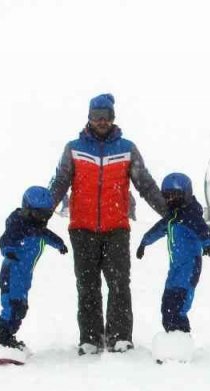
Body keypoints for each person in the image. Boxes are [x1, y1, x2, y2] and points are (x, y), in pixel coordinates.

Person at [47, 93, 166, 355]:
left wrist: (168, 211)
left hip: (116, 228)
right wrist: (39, 214)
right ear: (89, 118)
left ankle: (120, 336)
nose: (102, 121)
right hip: (82, 228)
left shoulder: (126, 148)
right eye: (97, 117)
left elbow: (144, 184)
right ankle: (90, 338)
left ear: (113, 118)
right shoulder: (74, 149)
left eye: (106, 117)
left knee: (119, 283)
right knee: (87, 285)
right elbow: (58, 184)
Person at [0, 186, 68, 355]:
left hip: (24, 277)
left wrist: (59, 243)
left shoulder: (37, 228)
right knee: (12, 307)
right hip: (12, 273)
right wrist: (9, 249)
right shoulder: (18, 224)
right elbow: (6, 238)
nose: (43, 219)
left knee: (20, 309)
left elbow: (47, 235)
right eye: (39, 215)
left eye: (47, 215)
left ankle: (8, 337)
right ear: (27, 210)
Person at [136, 173, 210, 333]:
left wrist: (208, 244)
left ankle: (180, 339)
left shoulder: (190, 214)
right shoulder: (173, 216)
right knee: (167, 305)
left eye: (175, 196)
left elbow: (202, 228)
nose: (171, 200)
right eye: (167, 196)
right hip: (176, 269)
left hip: (190, 267)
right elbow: (158, 229)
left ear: (186, 194)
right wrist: (144, 242)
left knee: (178, 306)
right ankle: (172, 339)